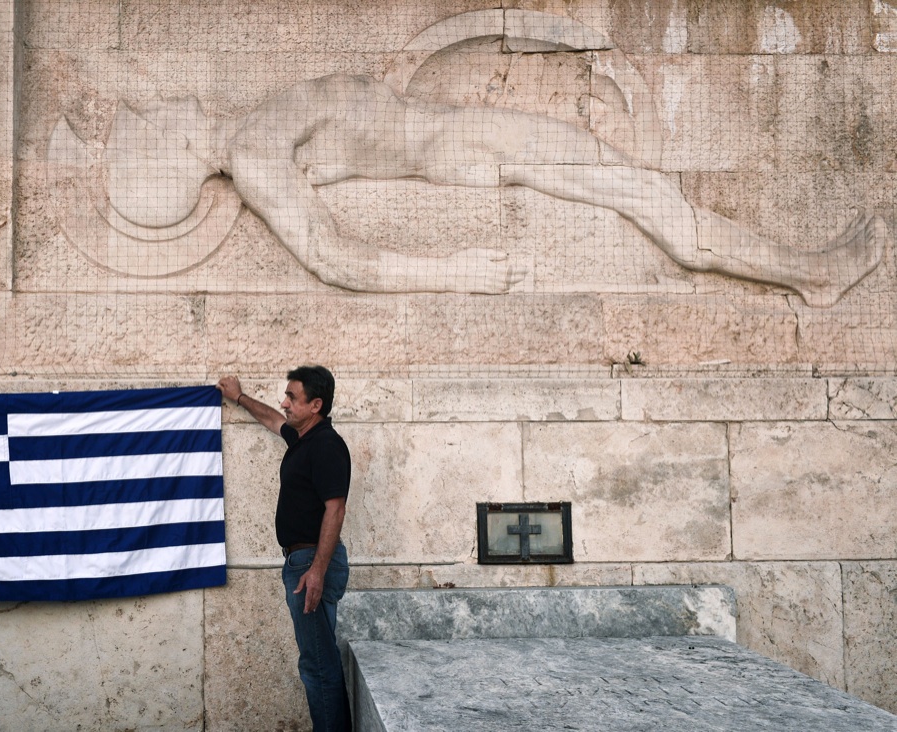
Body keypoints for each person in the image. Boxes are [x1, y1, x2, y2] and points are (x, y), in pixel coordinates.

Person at [105, 72, 885, 307]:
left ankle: (806, 272)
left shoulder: (255, 123)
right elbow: (331, 256)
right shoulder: (255, 152)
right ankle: (813, 275)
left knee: (642, 191)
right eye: (156, 120)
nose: (166, 101)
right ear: (177, 148)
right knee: (646, 194)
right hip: (467, 147)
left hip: (466, 135)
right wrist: (453, 271)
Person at [216, 366, 352, 731]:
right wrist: (239, 397)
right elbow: (272, 420)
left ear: (316, 405)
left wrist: (317, 570)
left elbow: (335, 509)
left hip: (311, 563)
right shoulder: (304, 439)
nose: (285, 403)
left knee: (318, 665)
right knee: (317, 661)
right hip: (303, 561)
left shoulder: (326, 445)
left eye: (293, 397)